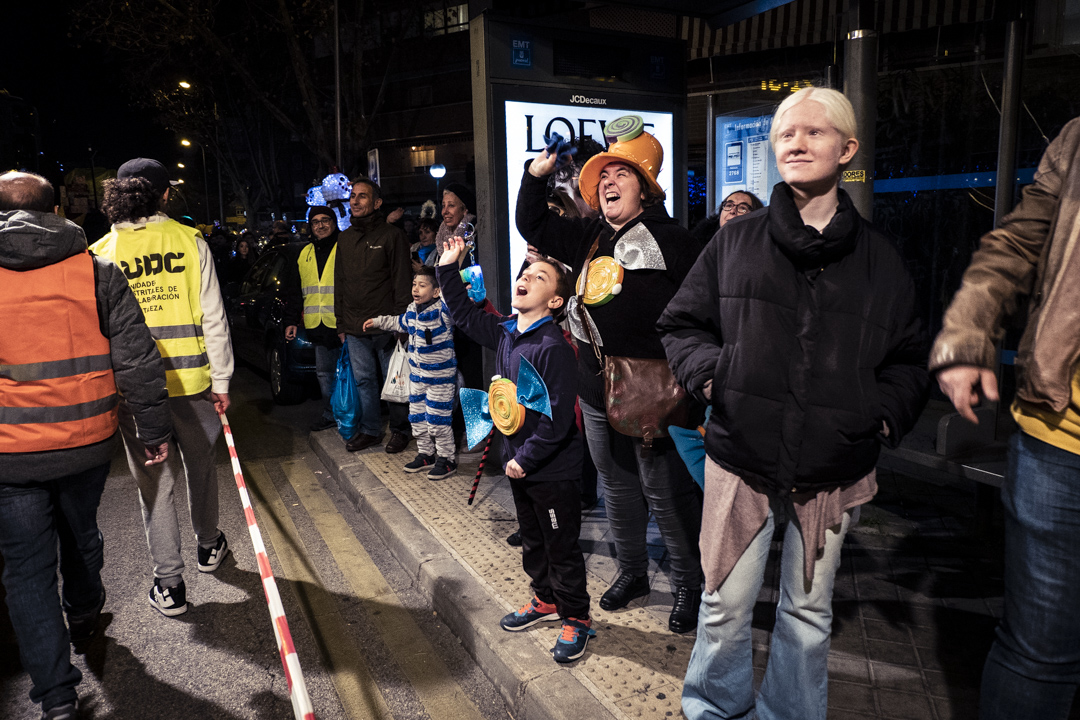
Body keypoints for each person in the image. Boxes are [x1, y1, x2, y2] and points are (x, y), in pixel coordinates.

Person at [657, 87, 929, 720]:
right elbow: (681, 326)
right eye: (785, 135)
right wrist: (715, 380)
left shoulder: (882, 262)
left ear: (847, 149)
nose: (797, 143)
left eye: (814, 132)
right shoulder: (734, 242)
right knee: (724, 604)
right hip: (739, 458)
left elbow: (911, 359)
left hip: (833, 469)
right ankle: (713, 710)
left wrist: (878, 415)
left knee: (807, 615)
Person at [516, 116, 706, 634]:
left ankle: (691, 582)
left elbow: (701, 313)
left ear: (645, 187)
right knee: (615, 487)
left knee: (664, 491)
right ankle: (632, 572)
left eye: (621, 173)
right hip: (596, 385)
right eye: (603, 176)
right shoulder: (589, 235)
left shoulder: (675, 239)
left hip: (652, 391)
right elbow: (532, 224)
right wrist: (536, 176)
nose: (608, 182)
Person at [0, 172, 171, 720]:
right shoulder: (96, 271)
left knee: (25, 569)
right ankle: (84, 613)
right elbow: (138, 360)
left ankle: (55, 696)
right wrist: (153, 429)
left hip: (8, 454)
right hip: (85, 441)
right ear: (56, 208)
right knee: (80, 535)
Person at [930, 116, 1080, 720]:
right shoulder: (1077, 137)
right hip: (1062, 434)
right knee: (1039, 654)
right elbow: (1017, 243)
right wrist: (967, 334)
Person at [437, 235, 594, 663]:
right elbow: (466, 315)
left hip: (551, 470)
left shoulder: (553, 348)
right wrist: (447, 267)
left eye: (539, 277)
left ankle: (577, 618)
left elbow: (557, 419)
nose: (526, 277)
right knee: (532, 541)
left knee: (561, 547)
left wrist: (524, 459)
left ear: (556, 301)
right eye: (525, 273)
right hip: (521, 467)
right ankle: (544, 600)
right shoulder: (507, 330)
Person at [91, 157, 235, 617]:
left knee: (155, 485)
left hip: (135, 392)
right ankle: (209, 546)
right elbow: (213, 317)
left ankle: (169, 586)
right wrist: (223, 379)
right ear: (164, 195)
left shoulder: (100, 253)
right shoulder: (190, 242)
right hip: (192, 382)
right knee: (202, 467)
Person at [335, 178, 413, 454]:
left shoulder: (392, 236)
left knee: (395, 380)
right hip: (355, 325)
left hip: (387, 325)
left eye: (362, 197)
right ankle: (370, 430)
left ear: (377, 203)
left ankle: (401, 430)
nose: (355, 201)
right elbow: (340, 282)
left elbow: (402, 281)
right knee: (364, 381)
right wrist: (341, 323)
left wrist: (402, 322)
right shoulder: (344, 238)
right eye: (353, 196)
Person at [364, 265, 457, 479]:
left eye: (422, 285)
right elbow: (399, 322)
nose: (416, 289)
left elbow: (459, 308)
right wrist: (378, 321)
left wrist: (459, 292)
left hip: (440, 379)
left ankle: (447, 458)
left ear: (436, 291)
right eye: (414, 284)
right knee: (416, 417)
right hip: (417, 378)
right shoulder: (412, 310)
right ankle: (426, 453)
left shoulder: (443, 310)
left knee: (437, 420)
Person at [284, 205, 343, 432]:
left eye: (325, 220)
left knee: (355, 375)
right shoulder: (304, 253)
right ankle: (331, 414)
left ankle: (354, 417)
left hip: (344, 324)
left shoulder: (345, 248)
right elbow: (295, 290)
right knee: (325, 375)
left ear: (334, 222)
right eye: (315, 222)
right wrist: (291, 320)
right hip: (318, 325)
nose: (320, 225)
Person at [689, 190, 765, 248]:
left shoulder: (761, 248)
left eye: (742, 208)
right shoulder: (698, 245)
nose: (732, 211)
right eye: (729, 205)